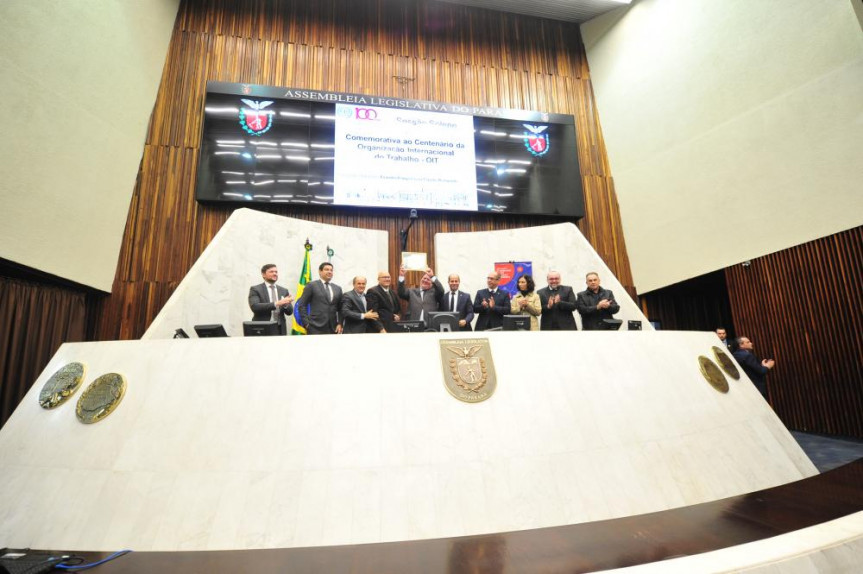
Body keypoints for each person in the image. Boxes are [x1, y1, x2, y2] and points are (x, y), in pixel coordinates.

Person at [296, 262, 343, 334]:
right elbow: (302, 305)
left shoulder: (338, 288)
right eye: (326, 269)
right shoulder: (311, 285)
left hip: (333, 328)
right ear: (320, 271)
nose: (329, 272)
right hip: (315, 327)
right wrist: (307, 324)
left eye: (331, 270)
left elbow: (340, 308)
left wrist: (340, 323)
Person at [248, 264, 294, 335]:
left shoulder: (283, 290)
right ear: (263, 274)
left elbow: (290, 312)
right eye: (271, 272)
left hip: (280, 328)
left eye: (276, 272)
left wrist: (286, 305)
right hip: (262, 327)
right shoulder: (255, 289)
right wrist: (277, 303)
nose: (275, 274)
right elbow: (255, 307)